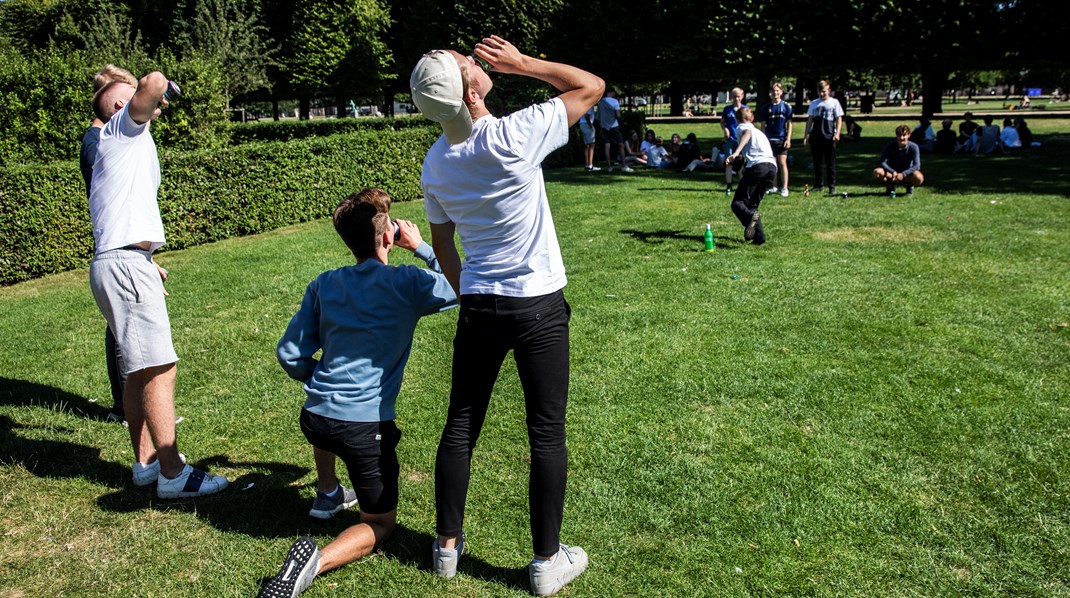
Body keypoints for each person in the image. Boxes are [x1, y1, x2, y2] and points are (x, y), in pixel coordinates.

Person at [411, 35, 601, 596]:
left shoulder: (435, 162)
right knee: (546, 432)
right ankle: (546, 562)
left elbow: (443, 244)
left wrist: (464, 288)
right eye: (471, 63)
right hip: (537, 302)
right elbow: (590, 86)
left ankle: (446, 548)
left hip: (481, 304)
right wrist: (523, 65)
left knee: (461, 424)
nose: (479, 60)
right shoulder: (515, 133)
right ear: (471, 89)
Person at [260, 188, 458, 598]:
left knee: (330, 418)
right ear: (390, 236)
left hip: (316, 419)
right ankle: (315, 563)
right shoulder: (407, 282)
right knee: (380, 523)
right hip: (363, 429)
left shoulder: (325, 283)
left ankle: (328, 492)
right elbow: (459, 286)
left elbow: (288, 352)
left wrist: (320, 377)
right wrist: (422, 248)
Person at [88, 71, 228, 498]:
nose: (149, 105)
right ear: (117, 106)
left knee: (136, 369)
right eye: (131, 101)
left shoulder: (119, 144)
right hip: (126, 263)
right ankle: (173, 474)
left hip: (120, 260)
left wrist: (145, 261)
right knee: (159, 367)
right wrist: (161, 89)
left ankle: (146, 465)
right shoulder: (121, 129)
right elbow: (154, 80)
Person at [79, 64, 138, 424]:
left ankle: (127, 404)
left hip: (123, 246)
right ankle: (126, 406)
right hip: (117, 247)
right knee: (122, 328)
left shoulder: (100, 141)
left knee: (121, 324)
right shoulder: (97, 144)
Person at [725, 107, 776, 245]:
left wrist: (735, 153)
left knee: (738, 204)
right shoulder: (760, 132)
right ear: (752, 118)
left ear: (737, 119)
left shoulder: (742, 127)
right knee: (752, 204)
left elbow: (747, 133)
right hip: (771, 167)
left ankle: (749, 219)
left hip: (757, 166)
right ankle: (759, 237)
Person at [804, 80, 843, 195]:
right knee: (817, 163)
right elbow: (810, 119)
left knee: (830, 163)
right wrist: (806, 135)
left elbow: (838, 119)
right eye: (820, 92)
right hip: (816, 136)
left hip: (829, 136)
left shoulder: (834, 102)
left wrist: (837, 133)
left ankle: (832, 186)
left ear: (828, 90)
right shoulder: (814, 103)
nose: (822, 94)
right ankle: (818, 184)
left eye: (824, 92)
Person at [757, 81, 793, 197]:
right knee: (772, 164)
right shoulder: (766, 108)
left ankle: (785, 187)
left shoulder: (786, 107)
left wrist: (788, 139)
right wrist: (763, 140)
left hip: (781, 138)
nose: (775, 93)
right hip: (769, 140)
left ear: (781, 92)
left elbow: (789, 124)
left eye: (777, 91)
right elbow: (762, 126)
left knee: (782, 163)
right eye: (773, 91)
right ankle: (773, 186)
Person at [873, 124, 924, 196]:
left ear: (909, 135)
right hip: (892, 174)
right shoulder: (890, 146)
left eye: (904, 135)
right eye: (899, 135)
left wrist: (903, 174)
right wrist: (892, 171)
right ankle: (889, 186)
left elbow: (917, 165)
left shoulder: (914, 147)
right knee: (877, 172)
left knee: (919, 177)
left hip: (907, 174)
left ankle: (909, 186)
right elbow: (882, 162)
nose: (901, 138)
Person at [597, 87, 631, 172]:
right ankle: (623, 166)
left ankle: (609, 167)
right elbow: (618, 115)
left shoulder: (600, 103)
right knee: (620, 145)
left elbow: (598, 116)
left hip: (604, 127)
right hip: (613, 126)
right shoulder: (615, 101)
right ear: (611, 92)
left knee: (607, 146)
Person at [720, 87, 746, 194]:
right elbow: (722, 122)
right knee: (729, 162)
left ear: (742, 97)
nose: (736, 99)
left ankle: (743, 185)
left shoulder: (745, 109)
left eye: (738, 96)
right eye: (734, 97)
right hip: (730, 139)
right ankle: (729, 185)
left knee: (740, 163)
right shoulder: (727, 109)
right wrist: (725, 129)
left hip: (741, 140)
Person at [578, 106, 599, 171]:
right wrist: (591, 126)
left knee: (587, 145)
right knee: (592, 145)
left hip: (582, 124)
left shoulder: (584, 105)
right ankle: (590, 165)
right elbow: (587, 116)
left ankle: (587, 165)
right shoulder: (590, 106)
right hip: (587, 125)